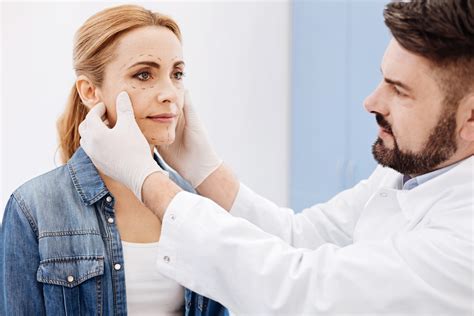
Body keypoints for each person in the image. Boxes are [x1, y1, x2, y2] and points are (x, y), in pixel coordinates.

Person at [79, 0, 474, 314]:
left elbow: (300, 290)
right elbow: (299, 238)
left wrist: (148, 180)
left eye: (400, 90)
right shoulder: (408, 177)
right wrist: (206, 171)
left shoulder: (463, 242)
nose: (371, 101)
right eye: (144, 74)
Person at [0, 4, 228, 315]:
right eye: (144, 74)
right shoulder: (33, 208)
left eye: (177, 74)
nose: (169, 93)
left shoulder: (195, 201)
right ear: (90, 91)